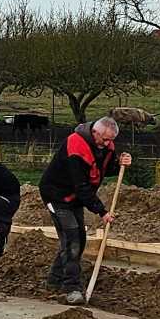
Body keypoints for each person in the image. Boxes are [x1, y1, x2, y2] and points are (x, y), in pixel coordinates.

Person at [37, 115, 132, 302]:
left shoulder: (105, 146)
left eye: (111, 140)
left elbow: (104, 169)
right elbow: (81, 186)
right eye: (105, 139)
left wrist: (120, 163)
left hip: (75, 198)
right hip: (57, 196)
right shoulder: (75, 146)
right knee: (72, 239)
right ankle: (71, 288)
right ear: (95, 132)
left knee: (78, 238)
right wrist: (102, 211)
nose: (108, 144)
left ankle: (54, 280)